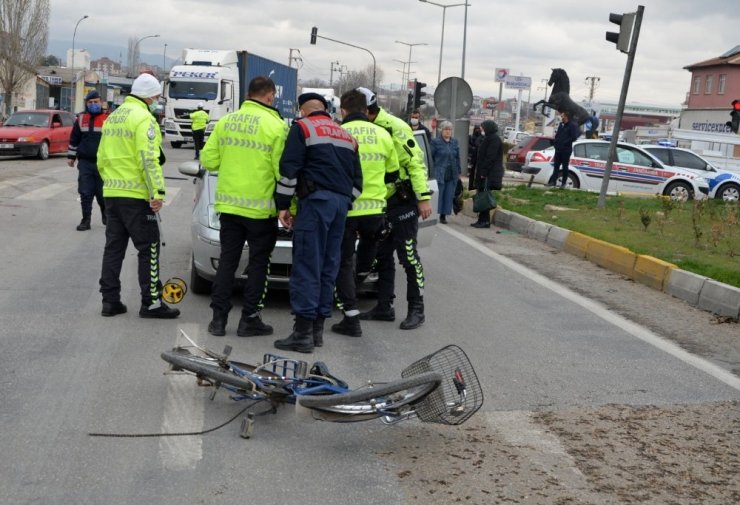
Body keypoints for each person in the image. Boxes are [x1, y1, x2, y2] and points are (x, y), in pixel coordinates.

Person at [273, 92, 363, 353]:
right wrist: (344, 202)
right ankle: (317, 331)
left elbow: (289, 171)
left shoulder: (302, 127)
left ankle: (302, 335)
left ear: (303, 110)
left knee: (307, 266)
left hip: (315, 204)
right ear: (326, 109)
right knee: (328, 266)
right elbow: (358, 182)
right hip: (339, 207)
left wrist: (283, 206)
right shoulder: (346, 135)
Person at [199, 77, 288, 337]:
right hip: (261, 209)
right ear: (270, 96)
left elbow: (209, 159)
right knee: (259, 264)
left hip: (229, 207)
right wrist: (287, 206)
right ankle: (249, 319)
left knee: (228, 261)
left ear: (249, 94)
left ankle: (218, 320)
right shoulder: (276, 126)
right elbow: (282, 172)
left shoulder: (226, 122)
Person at [96, 73, 180, 319]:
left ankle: (110, 301)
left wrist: (110, 184)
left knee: (114, 249)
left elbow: (101, 158)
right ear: (150, 96)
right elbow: (148, 159)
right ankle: (151, 302)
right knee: (149, 249)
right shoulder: (145, 118)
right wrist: (158, 193)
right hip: (136, 196)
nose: (156, 101)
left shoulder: (113, 118)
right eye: (155, 97)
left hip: (112, 193)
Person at [358, 87, 433, 330]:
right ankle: (383, 306)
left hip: (403, 201)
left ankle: (416, 309)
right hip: (381, 201)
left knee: (408, 256)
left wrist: (423, 197)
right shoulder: (362, 127)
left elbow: (416, 163)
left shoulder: (395, 127)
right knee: (381, 255)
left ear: (369, 110)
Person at [331, 89, 399, 339]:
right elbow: (393, 174)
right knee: (367, 257)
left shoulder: (338, 133)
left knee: (343, 261)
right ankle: (357, 287)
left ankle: (349, 312)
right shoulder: (383, 134)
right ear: (367, 110)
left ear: (343, 111)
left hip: (347, 208)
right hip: (375, 211)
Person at [67, 90, 109, 231]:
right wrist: (71, 157)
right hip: (85, 162)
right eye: (90, 103)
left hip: (103, 164)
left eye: (96, 102)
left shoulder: (108, 118)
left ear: (101, 102)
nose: (93, 105)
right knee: (85, 192)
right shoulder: (80, 119)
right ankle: (86, 220)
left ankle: (105, 214)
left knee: (102, 193)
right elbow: (74, 139)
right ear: (86, 103)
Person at [471, 120, 504, 228]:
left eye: (483, 128)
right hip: (484, 172)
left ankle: (484, 221)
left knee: (484, 196)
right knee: (481, 194)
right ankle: (482, 219)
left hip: (489, 174)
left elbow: (490, 157)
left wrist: (483, 173)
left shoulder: (494, 139)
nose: (481, 130)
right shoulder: (488, 138)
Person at [430, 121, 461, 224]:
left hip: (452, 172)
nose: (448, 132)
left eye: (449, 129)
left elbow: (457, 157)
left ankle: (443, 216)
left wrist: (459, 171)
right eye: (446, 129)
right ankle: (434, 214)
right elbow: (431, 157)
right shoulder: (435, 142)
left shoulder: (455, 142)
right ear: (441, 130)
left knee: (448, 195)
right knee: (439, 195)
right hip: (439, 172)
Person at [547, 110, 582, 188]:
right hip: (558, 149)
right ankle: (553, 182)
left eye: (563, 116)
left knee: (564, 167)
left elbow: (574, 137)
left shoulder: (572, 125)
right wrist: (555, 142)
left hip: (566, 150)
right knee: (556, 166)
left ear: (566, 117)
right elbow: (558, 135)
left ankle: (563, 183)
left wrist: (565, 143)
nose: (561, 118)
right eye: (561, 116)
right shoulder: (561, 125)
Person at [467, 125, 483, 189]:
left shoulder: (482, 137)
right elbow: (468, 145)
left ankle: (477, 186)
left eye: (478, 129)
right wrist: (472, 148)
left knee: (479, 172)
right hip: (472, 157)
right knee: (472, 172)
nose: (477, 130)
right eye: (476, 129)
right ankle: (471, 186)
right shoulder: (471, 137)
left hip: (480, 157)